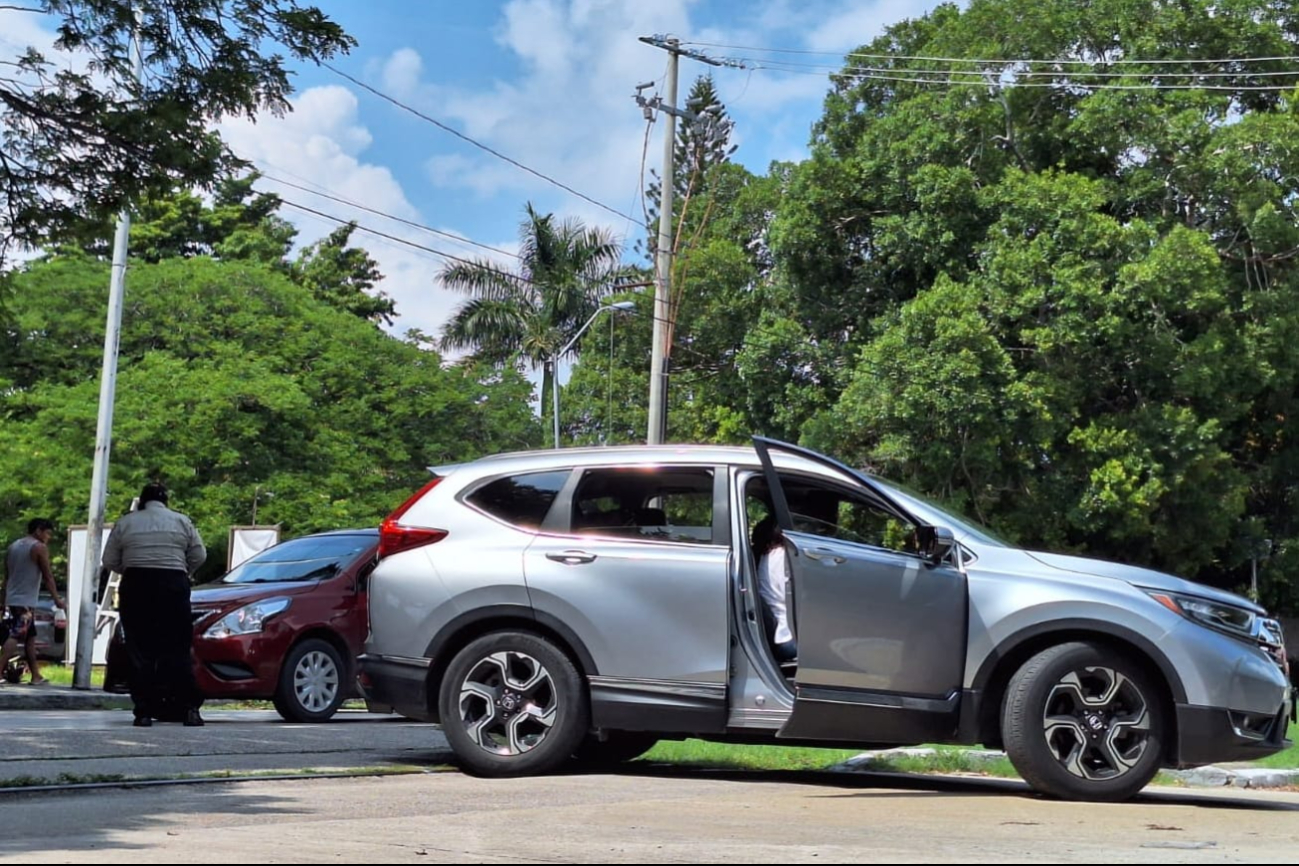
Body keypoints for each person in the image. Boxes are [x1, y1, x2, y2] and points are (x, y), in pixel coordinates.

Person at [102, 483, 207, 727]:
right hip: (173, 584)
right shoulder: (182, 521)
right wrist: (182, 571)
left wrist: (131, 568)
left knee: (140, 650)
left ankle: (144, 712)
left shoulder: (126, 522)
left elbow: (109, 560)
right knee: (178, 648)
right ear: (166, 501)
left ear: (142, 501)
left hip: (137, 584)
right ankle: (190, 708)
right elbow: (199, 555)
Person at [2, 518, 66, 685]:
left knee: (30, 637)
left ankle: (36, 675)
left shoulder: (13, 546)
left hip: (13, 598)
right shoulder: (38, 547)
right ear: (38, 530)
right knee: (16, 635)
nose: (48, 537)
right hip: (25, 601)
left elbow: (6, 577)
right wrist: (57, 599)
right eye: (47, 533)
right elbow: (47, 575)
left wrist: (2, 601)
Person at [752, 514, 796, 664]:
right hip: (786, 637)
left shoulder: (766, 556)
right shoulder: (785, 558)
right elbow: (794, 599)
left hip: (775, 634)